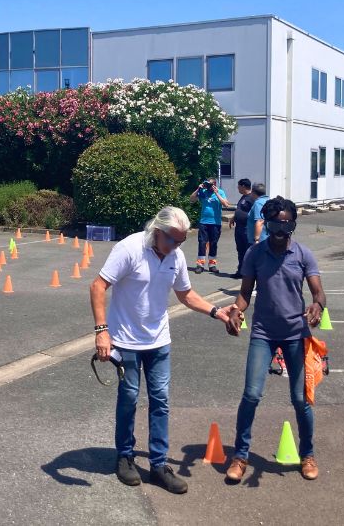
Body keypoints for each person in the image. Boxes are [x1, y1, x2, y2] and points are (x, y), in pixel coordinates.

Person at [90, 206, 236, 494]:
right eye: (173, 240)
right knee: (129, 399)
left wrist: (217, 312)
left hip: (159, 342)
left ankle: (158, 465)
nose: (176, 247)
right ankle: (125, 457)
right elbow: (98, 286)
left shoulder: (176, 256)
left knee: (161, 401)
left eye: (182, 242)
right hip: (126, 341)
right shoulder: (129, 248)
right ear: (158, 232)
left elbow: (185, 294)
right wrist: (101, 331)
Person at [224, 196, 327, 483]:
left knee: (300, 399)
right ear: (266, 225)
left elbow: (319, 293)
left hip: (297, 334)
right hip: (263, 334)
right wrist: (236, 310)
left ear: (293, 224)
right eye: (275, 225)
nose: (282, 232)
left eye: (288, 225)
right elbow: (245, 293)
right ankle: (240, 456)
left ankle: (307, 454)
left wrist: (318, 307)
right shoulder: (255, 254)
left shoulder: (303, 255)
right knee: (252, 394)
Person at [189, 178, 230, 274]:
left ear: (215, 184)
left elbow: (226, 205)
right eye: (207, 184)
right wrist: (198, 189)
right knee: (202, 243)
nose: (208, 187)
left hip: (215, 223)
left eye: (210, 185)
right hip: (204, 222)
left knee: (213, 243)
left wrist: (216, 193)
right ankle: (200, 264)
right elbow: (191, 199)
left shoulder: (220, 192)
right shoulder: (203, 192)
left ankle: (212, 265)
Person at [228, 178, 254, 279]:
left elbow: (255, 213)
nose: (237, 188)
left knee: (247, 251)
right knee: (240, 250)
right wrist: (234, 217)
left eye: (238, 186)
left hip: (247, 229)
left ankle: (248, 273)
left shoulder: (252, 198)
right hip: (239, 228)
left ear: (243, 186)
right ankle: (240, 271)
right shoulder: (243, 197)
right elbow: (240, 209)